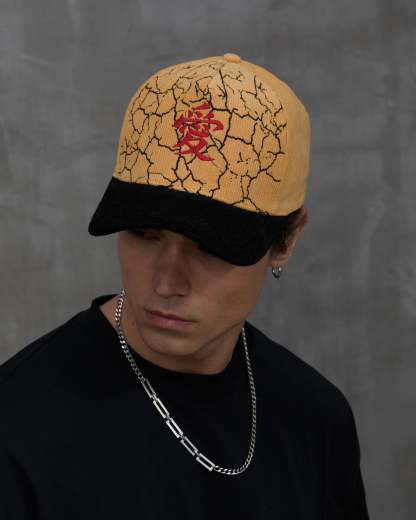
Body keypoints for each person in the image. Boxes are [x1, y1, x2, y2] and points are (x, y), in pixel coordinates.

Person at [0, 53, 370, 519]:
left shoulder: (315, 418)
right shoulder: (18, 426)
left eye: (210, 247)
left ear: (287, 240)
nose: (166, 282)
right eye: (145, 234)